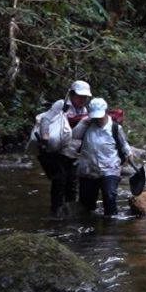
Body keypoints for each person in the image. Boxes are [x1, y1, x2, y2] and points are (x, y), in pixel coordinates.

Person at [36, 80, 92, 215]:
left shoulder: (85, 110)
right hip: (59, 150)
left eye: (85, 97)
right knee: (59, 181)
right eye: (79, 96)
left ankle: (69, 210)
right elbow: (46, 119)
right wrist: (45, 135)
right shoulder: (61, 105)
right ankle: (56, 210)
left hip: (74, 152)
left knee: (72, 182)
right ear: (72, 94)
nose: (82, 99)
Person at [73, 97, 132, 217]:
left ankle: (110, 224)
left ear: (106, 112)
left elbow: (123, 143)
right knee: (86, 206)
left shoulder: (115, 128)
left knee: (109, 196)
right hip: (88, 169)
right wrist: (83, 123)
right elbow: (74, 136)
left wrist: (128, 153)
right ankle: (88, 225)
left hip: (110, 168)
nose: (98, 119)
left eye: (100, 116)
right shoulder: (87, 124)